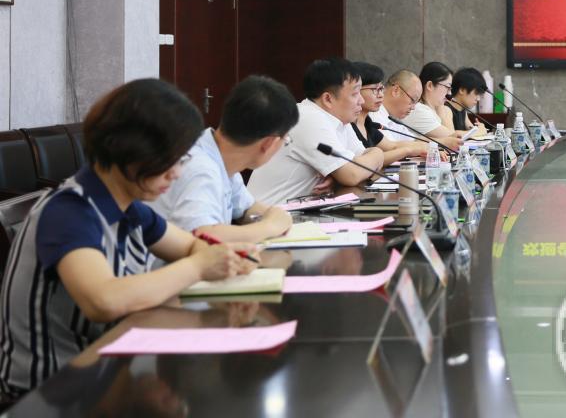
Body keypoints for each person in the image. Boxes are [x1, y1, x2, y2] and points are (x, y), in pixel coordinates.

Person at [0, 79, 255, 401]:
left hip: (106, 376)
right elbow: (104, 300)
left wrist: (217, 258)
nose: (176, 173)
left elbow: (192, 245)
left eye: (182, 160)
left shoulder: (130, 209)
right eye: (170, 160)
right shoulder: (69, 212)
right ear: (132, 151)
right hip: (48, 394)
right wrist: (199, 267)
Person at [246, 58, 427, 204]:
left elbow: (363, 163)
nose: (361, 101)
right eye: (355, 94)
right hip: (269, 220)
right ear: (328, 99)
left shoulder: (340, 120)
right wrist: (370, 158)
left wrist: (341, 174)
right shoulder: (310, 119)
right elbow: (353, 174)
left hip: (301, 214)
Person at [150, 75, 297, 242]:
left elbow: (246, 209)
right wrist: (269, 227)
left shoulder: (221, 155)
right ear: (269, 143)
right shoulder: (200, 168)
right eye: (285, 140)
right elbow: (203, 235)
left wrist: (274, 216)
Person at [371, 69, 460, 151]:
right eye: (413, 100)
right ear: (396, 91)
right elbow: (391, 147)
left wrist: (441, 143)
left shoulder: (391, 117)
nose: (413, 107)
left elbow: (413, 141)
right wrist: (440, 143)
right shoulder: (374, 115)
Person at [402, 62, 462, 143]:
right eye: (447, 87)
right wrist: (443, 108)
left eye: (450, 89)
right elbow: (454, 139)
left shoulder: (432, 109)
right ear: (430, 85)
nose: (449, 93)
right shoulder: (418, 110)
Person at [350, 61, 387, 146]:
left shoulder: (368, 123)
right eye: (375, 89)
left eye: (381, 89)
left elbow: (393, 146)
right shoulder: (348, 124)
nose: (381, 95)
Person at [445, 67, 487, 132]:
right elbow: (452, 135)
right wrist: (480, 131)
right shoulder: (446, 109)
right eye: (476, 93)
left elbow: (472, 131)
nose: (478, 99)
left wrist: (479, 128)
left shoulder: (462, 109)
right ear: (462, 90)